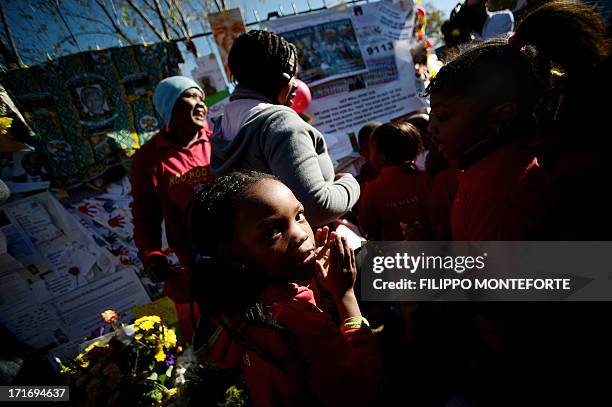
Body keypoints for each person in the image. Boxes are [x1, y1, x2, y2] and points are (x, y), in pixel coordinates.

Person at [190, 171, 384, 406]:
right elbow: (367, 386)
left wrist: (315, 287)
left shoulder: (240, 309)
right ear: (230, 253)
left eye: (299, 215)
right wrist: (345, 296)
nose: (301, 234)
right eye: (272, 232)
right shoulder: (295, 320)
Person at [211, 30, 360, 227]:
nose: (296, 84)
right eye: (292, 73)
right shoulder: (280, 123)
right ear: (278, 77)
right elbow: (315, 208)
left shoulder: (223, 124)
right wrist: (350, 184)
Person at [130, 76, 214, 304]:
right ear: (170, 105)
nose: (200, 104)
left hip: (246, 246)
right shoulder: (149, 158)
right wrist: (151, 256)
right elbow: (145, 215)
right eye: (190, 96)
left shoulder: (218, 141)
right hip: (202, 263)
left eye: (201, 98)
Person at [358, 122, 432, 241]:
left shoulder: (372, 189)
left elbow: (368, 228)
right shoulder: (426, 178)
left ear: (381, 158)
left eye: (371, 151)